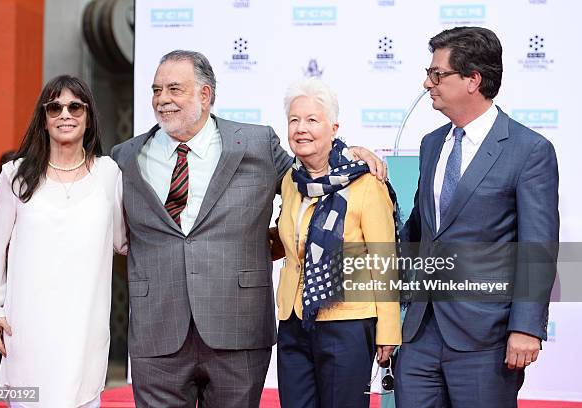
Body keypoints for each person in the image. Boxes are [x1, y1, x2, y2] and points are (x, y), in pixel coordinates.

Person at [111, 50, 386, 408]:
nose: (162, 99)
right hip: (157, 332)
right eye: (156, 89)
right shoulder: (125, 157)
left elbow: (312, 182)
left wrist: (350, 154)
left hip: (237, 329)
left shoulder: (257, 143)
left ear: (205, 94)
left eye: (174, 89)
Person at [395, 27, 559, 408]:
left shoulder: (529, 150)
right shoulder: (431, 143)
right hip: (421, 330)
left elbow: (537, 248)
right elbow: (420, 229)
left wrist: (525, 327)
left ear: (473, 79)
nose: (427, 83)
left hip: (488, 337)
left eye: (438, 74)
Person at [0, 75, 127, 407]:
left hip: (85, 325)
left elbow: (124, 240)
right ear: (44, 119)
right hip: (28, 325)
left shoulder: (109, 174)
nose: (65, 114)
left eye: (75, 106)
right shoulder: (15, 175)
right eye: (55, 107)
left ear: (88, 117)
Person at [275, 78, 401, 407]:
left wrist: (388, 329)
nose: (301, 129)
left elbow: (384, 262)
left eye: (312, 120)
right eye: (293, 120)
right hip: (293, 320)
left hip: (348, 321)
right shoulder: (291, 180)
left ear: (333, 128)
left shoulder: (365, 182)